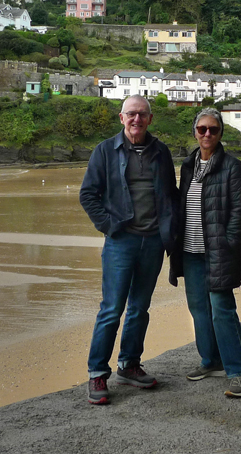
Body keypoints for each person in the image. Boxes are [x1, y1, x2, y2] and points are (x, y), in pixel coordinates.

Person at [79, 95, 179, 405]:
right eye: (131, 114)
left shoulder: (160, 152)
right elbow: (88, 195)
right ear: (121, 118)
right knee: (111, 309)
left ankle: (129, 365)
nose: (136, 119)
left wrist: (170, 235)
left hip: (153, 242)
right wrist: (110, 226)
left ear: (150, 119)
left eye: (142, 114)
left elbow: (170, 196)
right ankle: (97, 372)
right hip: (121, 242)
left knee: (140, 308)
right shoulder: (105, 151)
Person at [169, 107, 241, 398]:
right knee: (199, 311)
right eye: (202, 129)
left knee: (222, 311)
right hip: (190, 250)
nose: (207, 134)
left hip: (218, 251)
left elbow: (239, 212)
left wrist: (229, 242)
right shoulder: (188, 165)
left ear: (220, 133)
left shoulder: (232, 166)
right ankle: (211, 361)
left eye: (213, 129)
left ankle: (240, 372)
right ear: (194, 131)